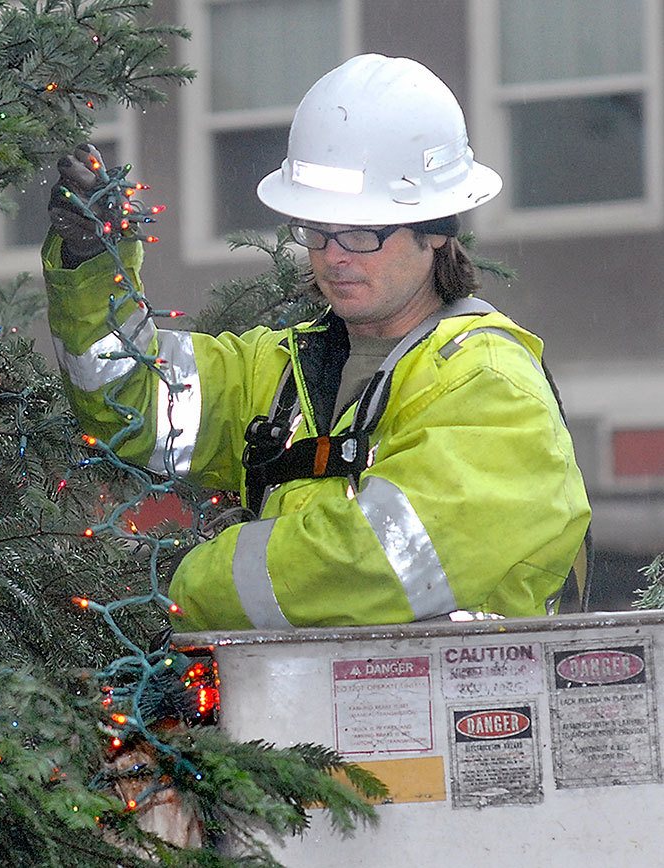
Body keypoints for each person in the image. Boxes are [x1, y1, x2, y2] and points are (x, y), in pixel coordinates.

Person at [43, 53, 591, 631]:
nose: (333, 255)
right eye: (317, 230)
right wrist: (92, 260)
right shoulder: (279, 370)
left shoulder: (489, 383)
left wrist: (194, 581)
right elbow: (129, 401)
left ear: (436, 228)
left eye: (360, 232)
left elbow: (379, 563)